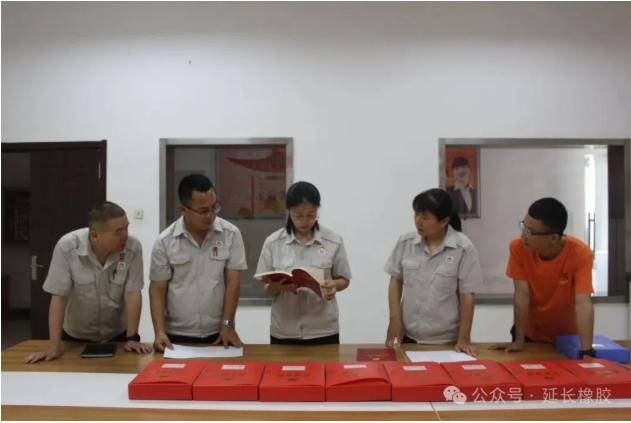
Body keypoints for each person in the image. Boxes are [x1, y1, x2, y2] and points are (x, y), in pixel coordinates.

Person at [24, 202, 150, 364]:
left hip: (116, 334)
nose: (126, 235)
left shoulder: (132, 247)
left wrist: (132, 338)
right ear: (95, 236)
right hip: (76, 336)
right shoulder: (67, 247)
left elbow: (132, 292)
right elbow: (59, 297)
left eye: (127, 227)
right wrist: (53, 347)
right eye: (118, 232)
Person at [149, 174, 247, 350]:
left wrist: (228, 323)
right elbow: (157, 290)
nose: (211, 215)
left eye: (214, 207)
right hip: (176, 334)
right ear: (183, 209)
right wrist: (159, 332)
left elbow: (234, 282)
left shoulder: (231, 234)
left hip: (219, 332)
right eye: (203, 211)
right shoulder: (165, 241)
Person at [489, 198, 595, 356]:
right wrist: (518, 341)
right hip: (530, 334)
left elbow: (583, 303)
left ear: (553, 238)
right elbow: (522, 296)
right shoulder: (518, 247)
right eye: (524, 227)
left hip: (567, 337)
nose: (523, 236)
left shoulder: (580, 254)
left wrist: (587, 351)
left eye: (530, 232)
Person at [384, 188, 483, 355]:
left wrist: (464, 339)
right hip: (408, 335)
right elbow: (396, 280)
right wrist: (394, 319)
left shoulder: (463, 248)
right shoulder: (406, 242)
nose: (418, 222)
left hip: (446, 339)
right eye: (416, 215)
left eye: (425, 218)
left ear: (444, 222)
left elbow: (467, 296)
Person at [255, 181, 352, 345]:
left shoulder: (333, 241)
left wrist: (334, 284)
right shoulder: (273, 243)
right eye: (298, 216)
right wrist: (279, 287)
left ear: (318, 210)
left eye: (311, 215)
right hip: (285, 331)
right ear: (288, 211)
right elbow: (266, 287)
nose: (305, 221)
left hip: (323, 329)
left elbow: (344, 279)